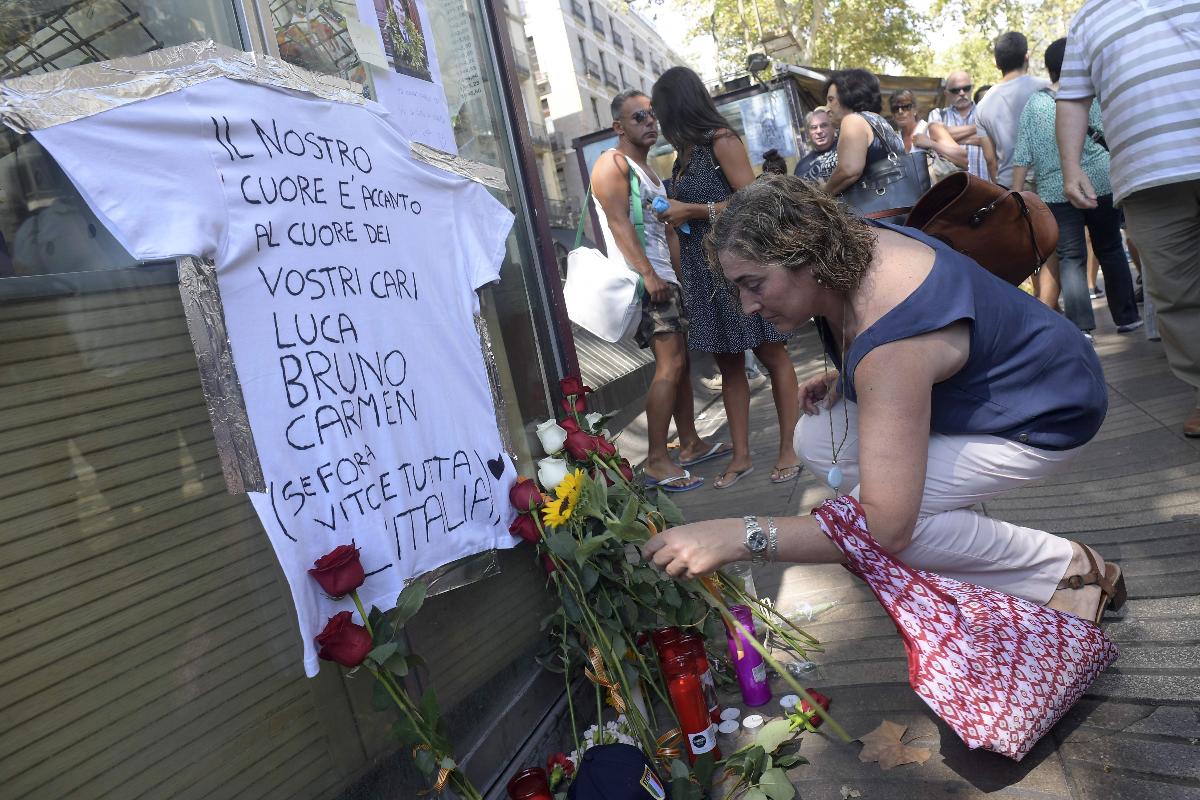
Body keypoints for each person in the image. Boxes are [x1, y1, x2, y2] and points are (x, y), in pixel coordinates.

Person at [645, 175, 1124, 626]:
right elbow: (907, 342)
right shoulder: (851, 244)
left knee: (882, 534)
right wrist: (850, 372)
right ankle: (952, 542)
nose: (748, 306)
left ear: (805, 255)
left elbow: (882, 527)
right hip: (1021, 373)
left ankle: (1065, 570)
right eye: (738, 289)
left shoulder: (891, 346)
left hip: (1049, 411)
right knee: (818, 437)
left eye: (754, 284)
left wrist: (737, 536)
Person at [651, 66, 803, 488]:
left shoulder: (720, 140)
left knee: (773, 355)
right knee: (730, 366)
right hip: (703, 275)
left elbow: (752, 199)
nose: (658, 121)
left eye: (659, 111)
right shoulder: (681, 159)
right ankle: (741, 456)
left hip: (741, 267)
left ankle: (790, 448)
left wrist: (693, 210)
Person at [1057, 0, 1200, 437]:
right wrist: (1070, 166)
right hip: (1145, 175)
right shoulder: (1087, 17)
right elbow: (1073, 98)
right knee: (1175, 295)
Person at [589, 90, 720, 490]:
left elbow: (667, 234)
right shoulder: (612, 163)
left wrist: (679, 280)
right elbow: (618, 224)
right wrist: (648, 275)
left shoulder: (648, 171)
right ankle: (658, 460)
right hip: (646, 281)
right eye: (638, 117)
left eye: (651, 115)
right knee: (670, 365)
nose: (650, 122)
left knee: (680, 363)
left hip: (665, 279)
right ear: (618, 126)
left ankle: (690, 443)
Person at [1011, 38, 1141, 338]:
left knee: (1070, 257)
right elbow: (1111, 135)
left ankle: (1081, 326)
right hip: (1099, 183)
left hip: (1056, 190)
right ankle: (1127, 317)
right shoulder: (1089, 96)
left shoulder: (1034, 104)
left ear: (1049, 68)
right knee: (1111, 247)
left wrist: (1016, 197)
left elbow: (1022, 155)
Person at [976, 32, 1050, 188]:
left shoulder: (983, 105)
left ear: (997, 64)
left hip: (1008, 183)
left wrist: (1001, 188)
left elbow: (990, 159)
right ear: (1026, 57)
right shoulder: (1047, 88)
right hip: (1047, 180)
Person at [819, 69, 906, 198]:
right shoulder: (878, 121)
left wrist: (823, 193)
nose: (827, 108)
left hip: (876, 208)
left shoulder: (853, 121)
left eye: (831, 100)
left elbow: (849, 171)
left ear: (848, 96)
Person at [927, 71, 995, 181]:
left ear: (972, 88)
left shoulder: (986, 111)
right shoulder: (938, 114)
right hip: (951, 187)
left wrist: (945, 135)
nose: (962, 93)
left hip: (985, 184)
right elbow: (933, 136)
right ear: (946, 94)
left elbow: (994, 140)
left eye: (966, 88)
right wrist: (979, 129)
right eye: (955, 90)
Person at [888, 88, 967, 181]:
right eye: (895, 109)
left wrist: (931, 143)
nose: (900, 111)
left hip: (937, 188)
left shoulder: (931, 129)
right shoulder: (895, 140)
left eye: (906, 107)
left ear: (915, 110)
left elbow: (964, 159)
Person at [793, 106, 836, 184]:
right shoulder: (801, 166)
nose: (819, 131)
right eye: (814, 128)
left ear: (833, 127)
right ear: (808, 133)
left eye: (824, 125)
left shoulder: (844, 147)